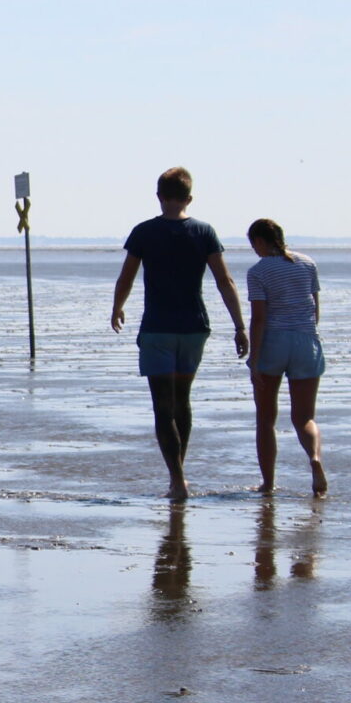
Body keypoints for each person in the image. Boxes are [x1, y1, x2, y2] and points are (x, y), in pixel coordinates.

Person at [110, 167, 248, 500]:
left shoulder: (144, 232)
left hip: (158, 327)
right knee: (182, 401)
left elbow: (127, 276)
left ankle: (177, 478)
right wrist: (240, 325)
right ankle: (179, 473)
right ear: (189, 197)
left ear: (160, 196)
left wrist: (117, 306)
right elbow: (225, 281)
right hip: (193, 327)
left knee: (162, 405)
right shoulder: (204, 232)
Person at [244, 217, 327, 496]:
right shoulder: (307, 263)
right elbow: (315, 309)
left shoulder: (258, 271)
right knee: (305, 417)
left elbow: (259, 319)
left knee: (266, 419)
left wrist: (254, 359)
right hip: (305, 341)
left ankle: (268, 483)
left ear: (259, 241)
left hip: (274, 343)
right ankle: (315, 459)